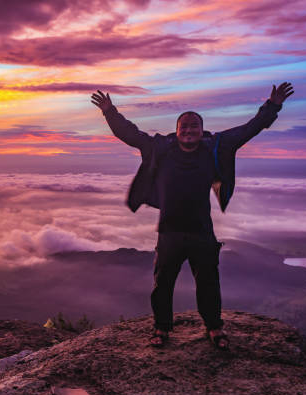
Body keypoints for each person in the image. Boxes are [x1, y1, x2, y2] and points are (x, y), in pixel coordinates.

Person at [91, 82, 294, 350]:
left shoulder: (215, 147)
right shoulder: (160, 148)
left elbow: (250, 129)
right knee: (162, 284)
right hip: (169, 232)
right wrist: (109, 111)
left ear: (201, 130)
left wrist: (273, 106)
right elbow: (130, 134)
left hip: (201, 231)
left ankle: (214, 327)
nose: (188, 131)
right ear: (176, 131)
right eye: (183, 127)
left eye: (193, 126)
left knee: (208, 282)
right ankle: (161, 328)